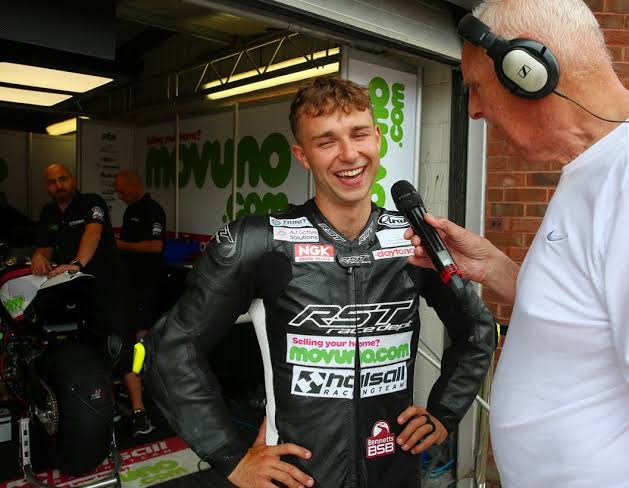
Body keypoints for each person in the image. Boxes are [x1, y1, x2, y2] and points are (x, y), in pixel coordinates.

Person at [143, 77, 496, 488]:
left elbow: (477, 329)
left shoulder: (412, 240)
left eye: (359, 134)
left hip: (394, 470)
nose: (349, 154)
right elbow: (172, 348)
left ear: (377, 137)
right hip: (299, 478)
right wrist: (231, 456)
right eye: (326, 141)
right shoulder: (262, 241)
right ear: (302, 155)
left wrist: (444, 412)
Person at [406, 1, 629, 486]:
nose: (473, 109)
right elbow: (581, 313)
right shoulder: (595, 169)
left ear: (527, 71)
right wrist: (494, 267)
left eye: (476, 86)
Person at [31, 163, 154, 436]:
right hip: (78, 292)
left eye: (63, 179)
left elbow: (93, 233)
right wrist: (39, 256)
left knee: (122, 346)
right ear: (46, 186)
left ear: (73, 179)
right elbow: (45, 246)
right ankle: (107, 407)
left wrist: (77, 263)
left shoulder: (91, 203)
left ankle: (139, 412)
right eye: (52, 182)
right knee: (92, 351)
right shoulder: (48, 212)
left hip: (109, 287)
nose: (59, 185)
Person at [114, 169, 166, 339]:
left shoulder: (154, 209)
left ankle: (144, 354)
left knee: (143, 323)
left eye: (122, 191)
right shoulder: (130, 211)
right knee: (128, 320)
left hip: (147, 279)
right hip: (128, 278)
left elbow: (156, 246)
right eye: (117, 192)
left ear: (134, 186)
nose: (119, 196)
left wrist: (122, 245)